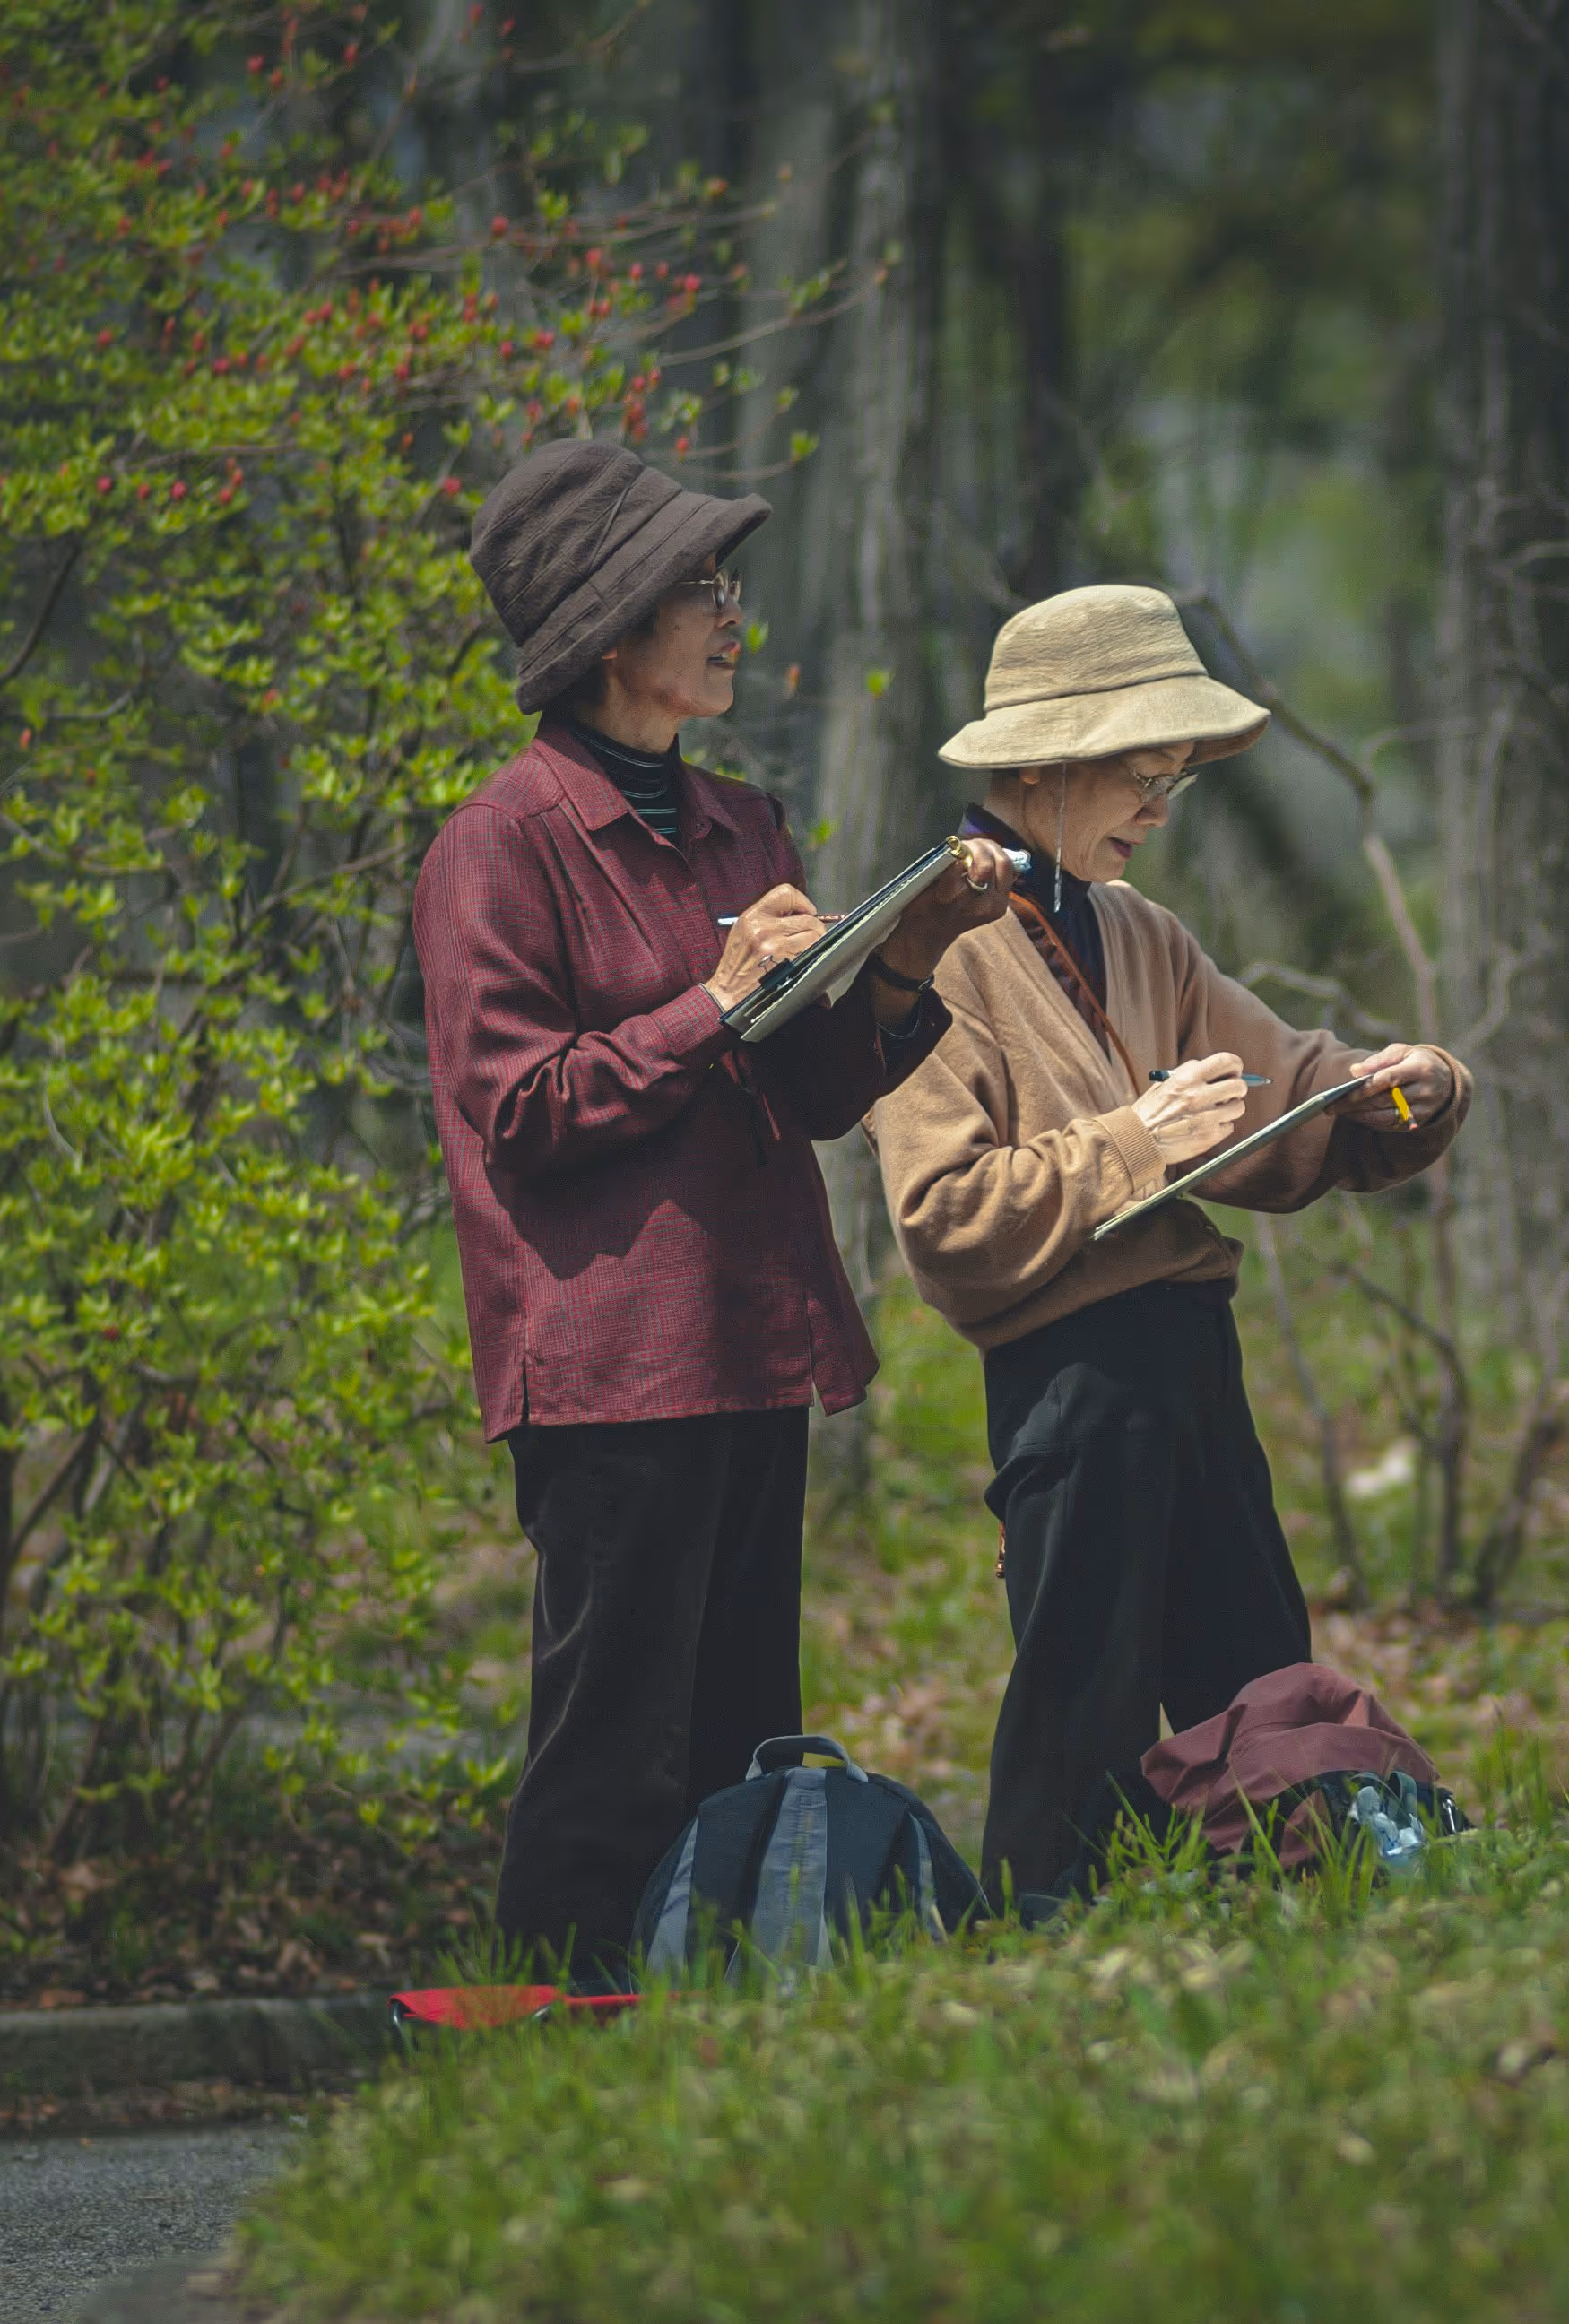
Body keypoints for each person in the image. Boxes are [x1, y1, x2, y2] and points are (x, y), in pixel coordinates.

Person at [418, 438, 1016, 1983]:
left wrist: (909, 954)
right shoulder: (498, 844)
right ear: (615, 632)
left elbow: (811, 1094)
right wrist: (715, 999)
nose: (734, 613)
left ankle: (713, 2034)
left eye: (727, 582)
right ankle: (558, 2034)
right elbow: (523, 1111)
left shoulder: (745, 825)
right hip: (610, 1367)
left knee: (746, 1731)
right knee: (610, 1739)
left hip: (755, 1340)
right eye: (703, 588)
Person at [864, 585, 1468, 1909]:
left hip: (1190, 1352)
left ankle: (1279, 1908)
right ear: (1048, 761)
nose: (1159, 804)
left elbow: (1279, 1087)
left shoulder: (1138, 928)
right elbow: (947, 1226)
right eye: (1142, 772)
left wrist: (1387, 1090)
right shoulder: (928, 952)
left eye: (1177, 777)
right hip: (1070, 1382)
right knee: (1079, 1702)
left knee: (1256, 1665)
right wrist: (1137, 1143)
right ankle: (1039, 1953)